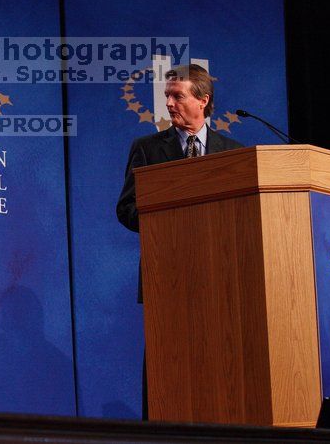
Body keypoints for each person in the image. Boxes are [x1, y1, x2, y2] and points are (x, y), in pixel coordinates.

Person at [116, 64, 243, 419]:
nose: (169, 104)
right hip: (166, 276)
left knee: (221, 363)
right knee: (165, 369)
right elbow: (126, 209)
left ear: (203, 100)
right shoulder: (147, 148)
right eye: (167, 96)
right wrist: (166, 223)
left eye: (178, 96)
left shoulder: (232, 153)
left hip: (220, 277)